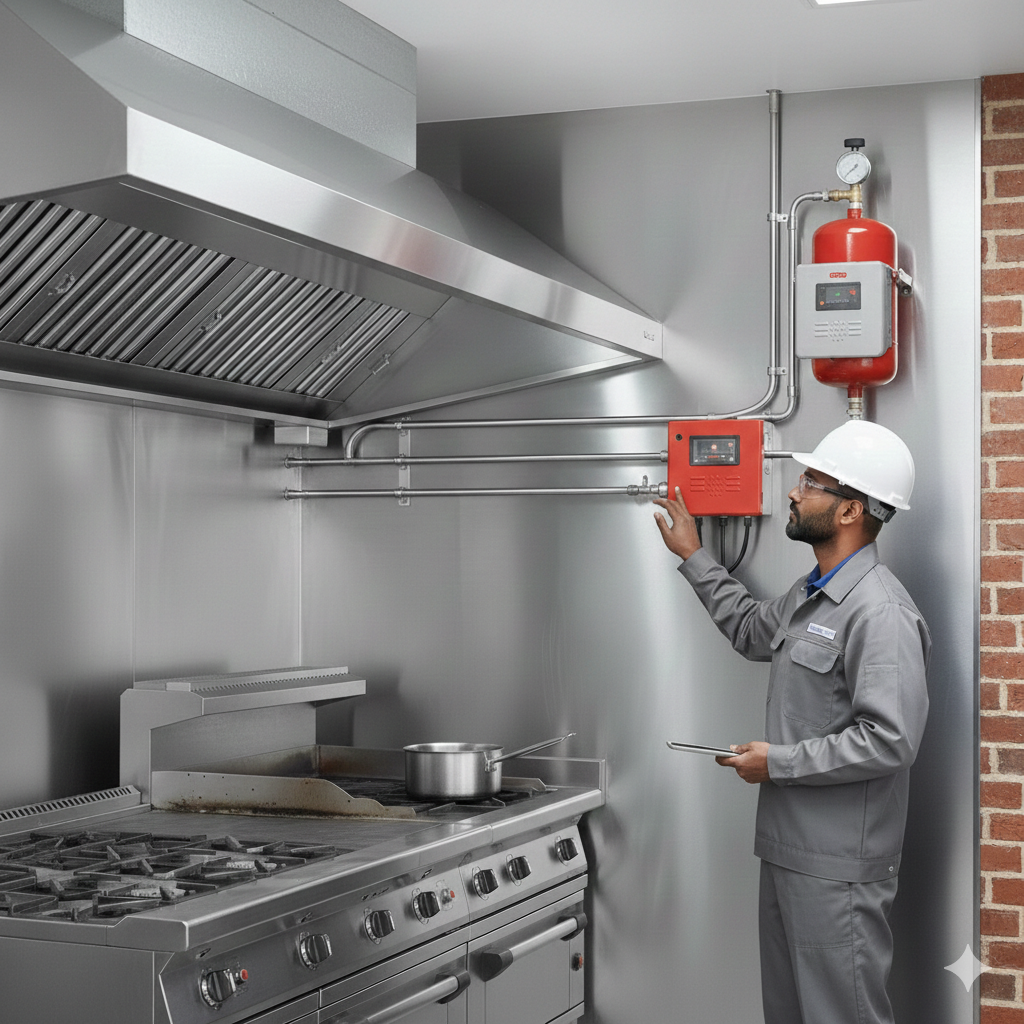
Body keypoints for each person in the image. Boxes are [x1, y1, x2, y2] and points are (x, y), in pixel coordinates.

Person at [653, 419, 930, 1024]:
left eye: (810, 483)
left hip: (838, 870)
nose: (793, 492)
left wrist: (775, 762)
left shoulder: (880, 612)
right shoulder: (812, 592)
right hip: (788, 852)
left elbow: (891, 740)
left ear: (850, 510)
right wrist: (694, 556)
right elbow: (751, 629)